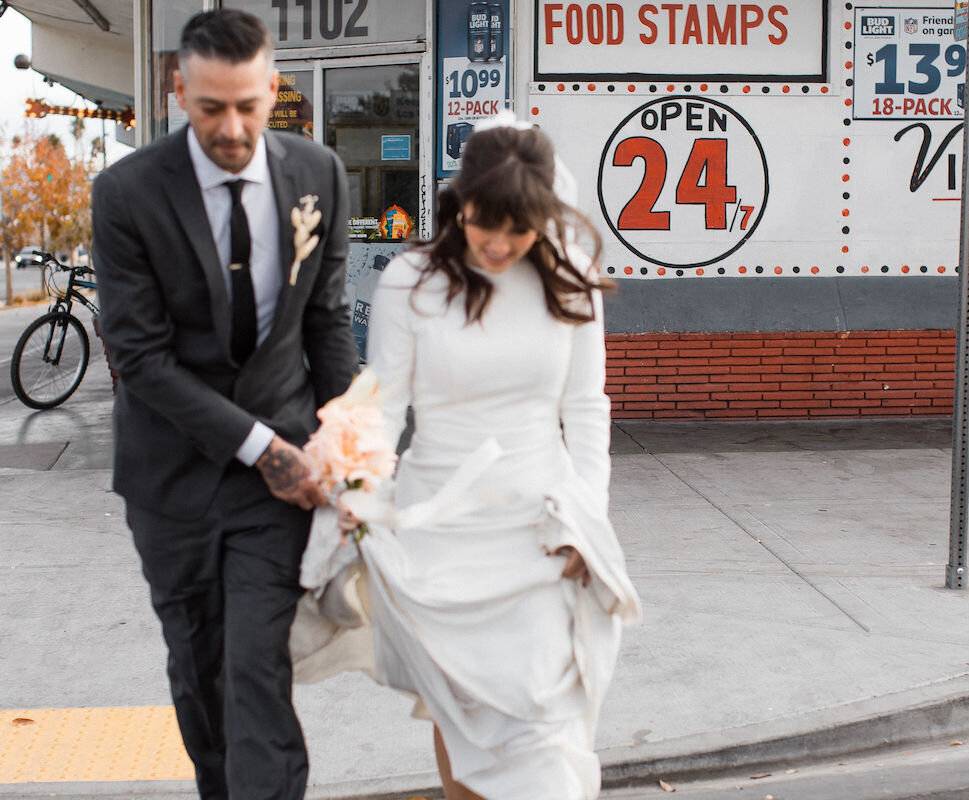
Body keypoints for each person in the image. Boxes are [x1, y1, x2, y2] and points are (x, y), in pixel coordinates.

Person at [329, 117, 641, 800]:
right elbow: (383, 408)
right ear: (459, 202)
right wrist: (362, 499)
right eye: (483, 223)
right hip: (438, 535)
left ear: (544, 217)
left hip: (541, 529)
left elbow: (588, 409)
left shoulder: (571, 280)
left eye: (519, 228)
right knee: (463, 712)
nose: (499, 244)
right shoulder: (412, 280)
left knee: (545, 722)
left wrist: (587, 519)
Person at [91, 9, 357, 799]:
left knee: (254, 667)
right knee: (199, 665)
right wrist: (264, 450)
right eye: (212, 108)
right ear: (179, 92)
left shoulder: (320, 175)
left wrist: (341, 441)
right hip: (171, 477)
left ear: (273, 87)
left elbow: (326, 322)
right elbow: (139, 357)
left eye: (248, 105)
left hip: (275, 480)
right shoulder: (127, 193)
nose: (233, 127)